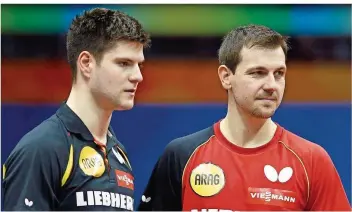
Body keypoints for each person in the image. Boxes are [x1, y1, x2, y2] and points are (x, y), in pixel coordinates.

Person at [137, 24, 351, 211]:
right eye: (257, 73)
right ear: (226, 77)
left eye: (279, 73)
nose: (271, 85)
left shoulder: (312, 160)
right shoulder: (181, 155)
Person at [2, 8, 150, 211]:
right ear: (86, 63)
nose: (137, 76)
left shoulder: (118, 154)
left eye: (139, 65)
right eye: (124, 63)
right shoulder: (41, 150)